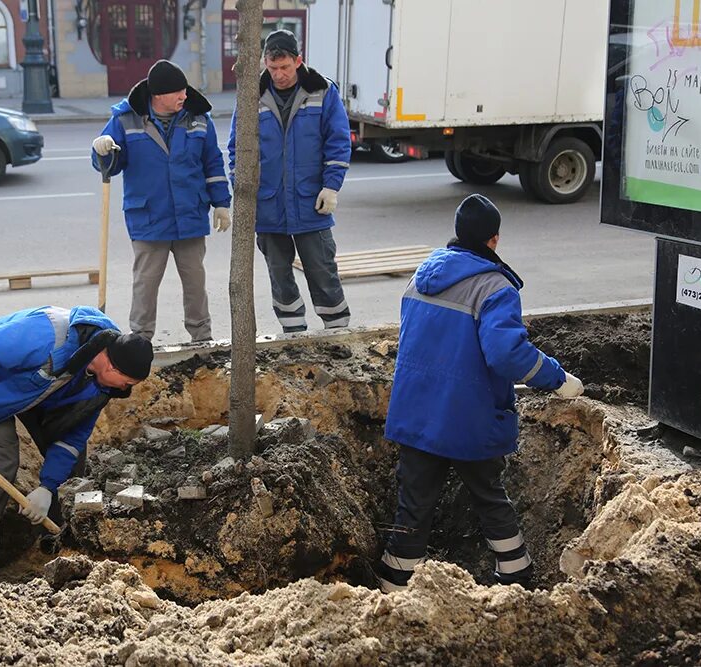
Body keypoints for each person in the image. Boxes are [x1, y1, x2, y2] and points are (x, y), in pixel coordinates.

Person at [376, 194, 584, 593]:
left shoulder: (422, 274)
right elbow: (508, 355)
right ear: (494, 240)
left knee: (413, 504)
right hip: (467, 417)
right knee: (489, 497)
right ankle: (515, 576)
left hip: (416, 413)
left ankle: (393, 583)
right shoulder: (494, 286)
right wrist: (558, 379)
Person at [0, 305, 153, 574]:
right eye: (126, 382)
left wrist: (47, 486)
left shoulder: (100, 387)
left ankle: (57, 547)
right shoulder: (48, 335)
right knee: (2, 463)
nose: (125, 390)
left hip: (35, 395)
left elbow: (72, 435)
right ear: (111, 364)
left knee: (73, 465)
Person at [92, 59, 231, 343]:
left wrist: (221, 203)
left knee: (195, 283)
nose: (184, 96)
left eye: (185, 90)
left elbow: (212, 164)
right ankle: (139, 341)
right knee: (145, 284)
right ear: (158, 95)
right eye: (177, 92)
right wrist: (102, 151)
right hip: (149, 218)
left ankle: (202, 337)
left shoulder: (198, 119)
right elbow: (109, 165)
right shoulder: (125, 120)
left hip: (189, 215)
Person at [228, 29, 352, 333]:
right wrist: (242, 190)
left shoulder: (323, 91)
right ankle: (292, 333)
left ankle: (337, 332)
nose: (279, 75)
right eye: (272, 69)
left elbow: (338, 142)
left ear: (298, 60)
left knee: (322, 270)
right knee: (279, 274)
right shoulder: (251, 96)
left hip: (312, 202)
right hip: (269, 205)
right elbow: (236, 149)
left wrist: (331, 186)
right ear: (264, 65)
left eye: (284, 67)